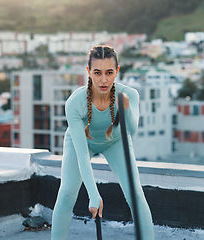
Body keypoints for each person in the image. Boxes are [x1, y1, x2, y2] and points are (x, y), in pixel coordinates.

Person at [51, 45, 155, 239]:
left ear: (117, 71)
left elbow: (131, 131)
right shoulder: (75, 102)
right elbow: (82, 154)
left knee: (136, 195)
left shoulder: (130, 94)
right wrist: (93, 193)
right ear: (89, 72)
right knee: (66, 193)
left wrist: (126, 110)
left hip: (115, 142)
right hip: (80, 143)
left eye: (109, 72)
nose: (103, 80)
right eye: (97, 73)